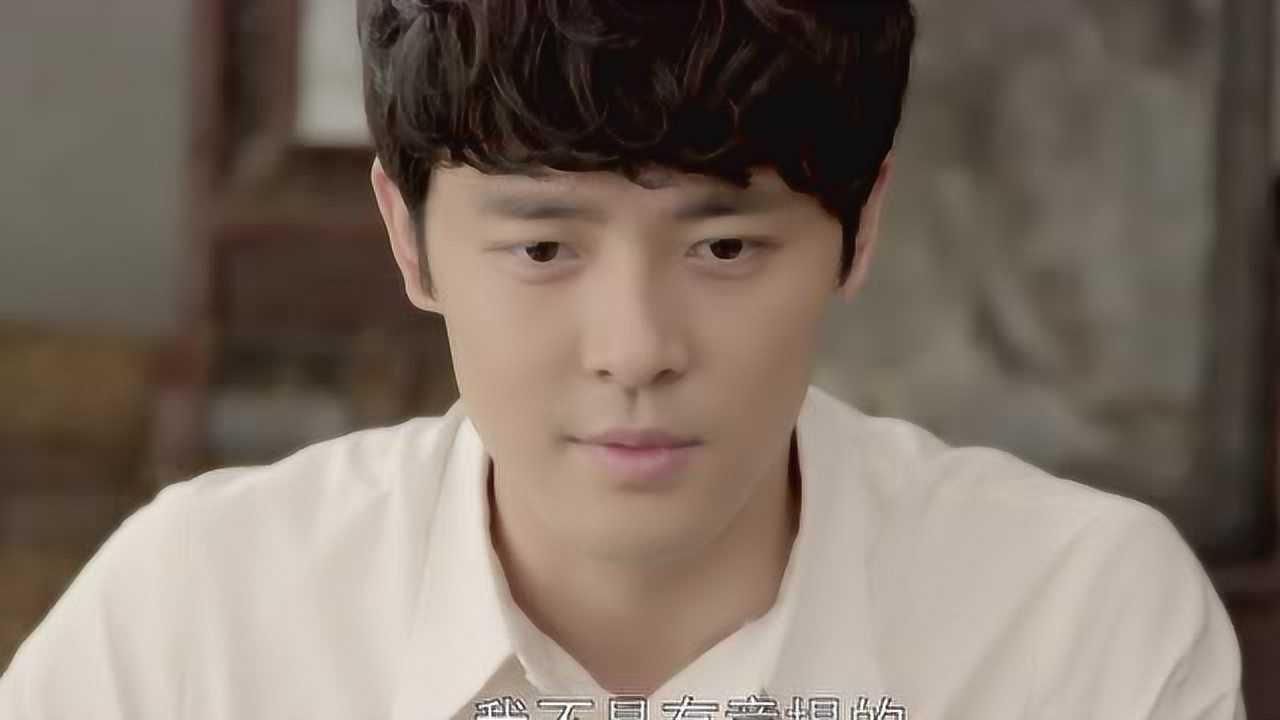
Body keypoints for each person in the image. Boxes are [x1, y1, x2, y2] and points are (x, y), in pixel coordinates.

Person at [0, 1, 1246, 718]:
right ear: (410, 239)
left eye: (722, 247)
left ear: (857, 230)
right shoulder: (195, 623)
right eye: (543, 247)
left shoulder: (1073, 630)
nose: (636, 350)